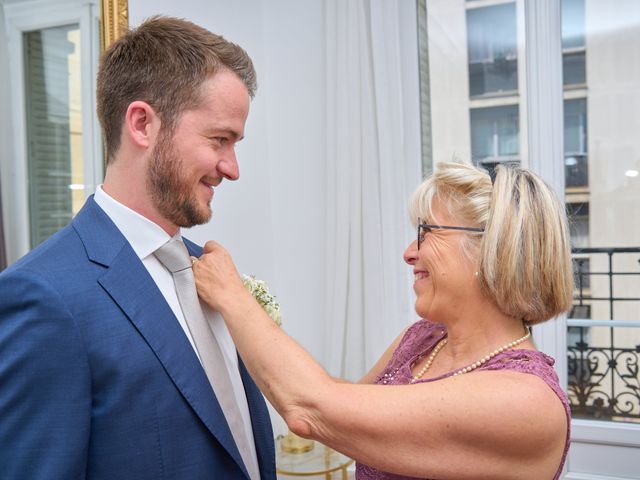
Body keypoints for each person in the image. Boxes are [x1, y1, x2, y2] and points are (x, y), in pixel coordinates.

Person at [0, 16, 275, 480]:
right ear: (143, 123)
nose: (232, 168)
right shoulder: (44, 297)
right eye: (219, 139)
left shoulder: (208, 268)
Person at [193, 161, 574, 480]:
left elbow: (317, 409)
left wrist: (234, 298)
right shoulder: (424, 338)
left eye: (427, 232)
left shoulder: (527, 400)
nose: (410, 253)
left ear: (492, 249)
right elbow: (347, 403)